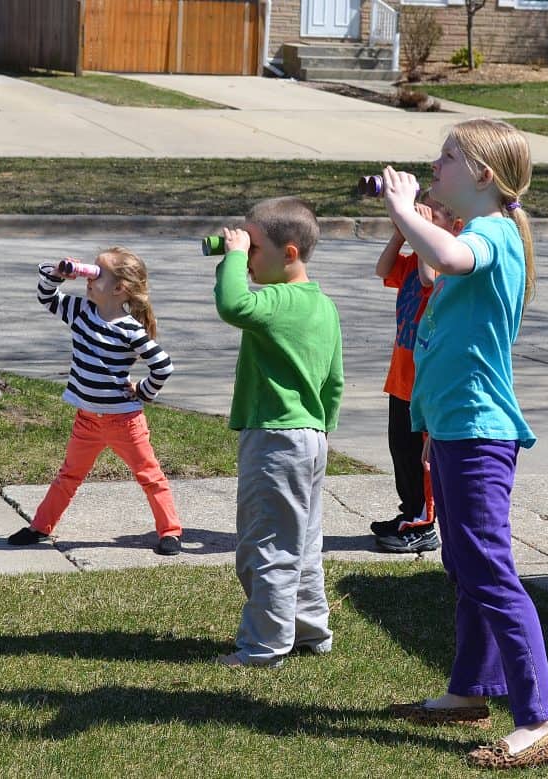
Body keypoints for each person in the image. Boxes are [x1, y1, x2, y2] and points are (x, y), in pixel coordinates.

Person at [383, 118, 548, 770]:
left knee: (491, 570)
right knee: (466, 566)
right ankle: (469, 690)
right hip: (458, 430)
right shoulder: (480, 228)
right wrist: (434, 428)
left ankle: (540, 718)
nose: (436, 165)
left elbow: (450, 258)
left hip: (481, 432)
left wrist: (403, 208)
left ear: (484, 175)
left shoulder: (491, 233)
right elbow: (446, 296)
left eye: (448, 157)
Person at [212, 196, 343, 668]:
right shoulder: (323, 306)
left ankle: (264, 645)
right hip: (310, 438)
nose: (246, 259)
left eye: (254, 248)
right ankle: (310, 629)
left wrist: (228, 255)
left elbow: (232, 303)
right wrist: (324, 427)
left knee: (265, 543)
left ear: (289, 253)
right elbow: (335, 380)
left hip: (275, 439)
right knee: (304, 541)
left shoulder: (276, 301)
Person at [7, 247, 184, 556]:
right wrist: (56, 275)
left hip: (125, 422)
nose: (89, 277)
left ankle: (170, 532)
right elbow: (48, 298)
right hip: (86, 420)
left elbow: (163, 365)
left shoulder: (131, 329)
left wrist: (143, 391)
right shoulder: (80, 312)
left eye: (96, 274)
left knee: (150, 476)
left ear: (119, 289)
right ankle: (40, 527)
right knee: (69, 475)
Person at [370, 192, 462, 553]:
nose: (417, 217)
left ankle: (424, 524)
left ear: (453, 226)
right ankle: (408, 511)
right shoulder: (411, 259)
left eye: (429, 214)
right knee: (401, 452)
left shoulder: (442, 260)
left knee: (421, 462)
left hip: (424, 384)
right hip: (401, 380)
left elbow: (427, 280)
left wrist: (419, 229)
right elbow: (382, 270)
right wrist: (399, 233)